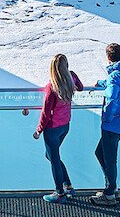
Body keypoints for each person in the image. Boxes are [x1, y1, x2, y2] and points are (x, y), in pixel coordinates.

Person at [33, 53, 83, 203]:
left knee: (53, 158)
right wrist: (72, 77)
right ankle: (68, 186)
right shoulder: (71, 77)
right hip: (65, 126)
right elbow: (80, 87)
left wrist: (39, 130)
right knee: (52, 156)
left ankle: (60, 193)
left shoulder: (52, 87)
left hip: (52, 129)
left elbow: (45, 113)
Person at [90, 43, 120, 207]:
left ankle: (110, 194)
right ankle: (110, 188)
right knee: (102, 154)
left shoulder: (115, 76)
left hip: (112, 124)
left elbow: (111, 98)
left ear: (108, 57)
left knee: (109, 159)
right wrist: (103, 82)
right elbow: (115, 85)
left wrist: (107, 118)